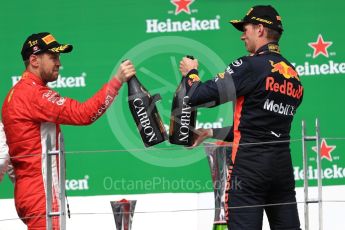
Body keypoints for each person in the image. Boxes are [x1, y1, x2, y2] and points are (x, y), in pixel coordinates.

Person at [179, 5, 303, 230]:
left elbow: (196, 96)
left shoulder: (251, 66)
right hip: (282, 170)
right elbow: (257, 126)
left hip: (249, 169)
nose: (242, 35)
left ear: (260, 29)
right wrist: (210, 133)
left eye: (245, 28)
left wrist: (191, 73)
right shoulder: (293, 74)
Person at [1, 32, 136, 230]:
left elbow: (9, 154)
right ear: (34, 60)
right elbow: (84, 114)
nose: (59, 63)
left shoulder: (14, 94)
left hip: (30, 194)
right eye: (53, 57)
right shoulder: (33, 95)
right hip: (42, 196)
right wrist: (117, 81)